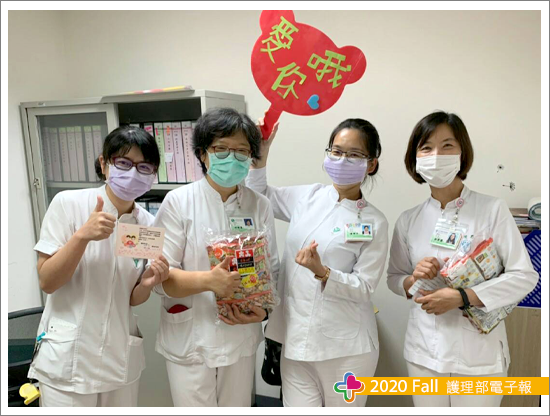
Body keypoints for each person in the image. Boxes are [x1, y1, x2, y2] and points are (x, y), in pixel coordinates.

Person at [387, 111, 538, 407]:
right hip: (424, 353)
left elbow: (524, 276)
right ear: (415, 158)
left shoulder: (492, 210)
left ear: (462, 152)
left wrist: (463, 297)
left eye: (447, 146)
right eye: (426, 147)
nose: (436, 155)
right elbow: (394, 278)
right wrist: (413, 279)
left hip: (479, 355)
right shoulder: (408, 220)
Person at [247, 117, 389, 407]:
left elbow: (364, 287)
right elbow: (259, 197)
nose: (342, 160)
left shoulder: (374, 221)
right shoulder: (309, 196)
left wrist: (322, 272)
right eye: (336, 151)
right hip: (294, 339)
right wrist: (261, 156)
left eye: (354, 154)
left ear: (371, 164)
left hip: (346, 348)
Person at [29, 126, 170, 407]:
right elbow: (47, 281)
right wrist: (82, 236)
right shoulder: (68, 204)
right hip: (68, 359)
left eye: (144, 167)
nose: (133, 173)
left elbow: (132, 298)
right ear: (104, 164)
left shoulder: (147, 224)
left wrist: (147, 284)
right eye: (123, 163)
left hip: (119, 359)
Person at [152, 108, 280, 407]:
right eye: (221, 149)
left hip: (241, 334)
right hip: (191, 337)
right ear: (202, 154)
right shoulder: (178, 202)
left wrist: (263, 311)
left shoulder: (259, 205)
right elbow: (160, 277)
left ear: (251, 156)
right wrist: (209, 281)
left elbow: (270, 270)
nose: (231, 158)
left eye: (241, 151)